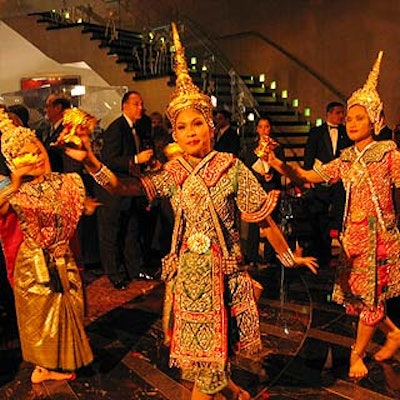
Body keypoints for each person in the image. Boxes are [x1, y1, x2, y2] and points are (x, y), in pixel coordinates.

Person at [65, 22, 318, 400]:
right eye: (181, 127)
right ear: (174, 133)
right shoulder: (173, 171)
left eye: (197, 123)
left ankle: (223, 384)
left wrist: (288, 258)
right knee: (203, 363)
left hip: (225, 272)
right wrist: (91, 163)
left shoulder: (231, 167)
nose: (190, 132)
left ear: (211, 126)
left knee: (218, 351)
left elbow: (263, 219)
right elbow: (126, 187)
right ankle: (221, 386)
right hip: (188, 276)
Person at [267, 51, 400, 380]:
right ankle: (395, 333)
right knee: (356, 298)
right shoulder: (345, 159)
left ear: (375, 120)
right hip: (351, 237)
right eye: (349, 118)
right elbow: (306, 177)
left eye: (359, 118)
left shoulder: (388, 153)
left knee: (369, 299)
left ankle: (357, 355)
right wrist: (274, 162)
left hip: (379, 238)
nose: (352, 123)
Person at [0, 107, 96, 384]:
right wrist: (16, 181)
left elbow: (81, 200)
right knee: (40, 317)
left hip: (63, 257)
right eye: (24, 155)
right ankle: (48, 363)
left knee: (69, 310)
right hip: (33, 265)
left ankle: (67, 361)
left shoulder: (63, 181)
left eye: (38, 151)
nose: (35, 158)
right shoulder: (16, 189)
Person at [95, 91, 153, 289]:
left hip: (130, 189)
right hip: (114, 190)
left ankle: (135, 269)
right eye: (136, 104)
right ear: (124, 106)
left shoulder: (138, 128)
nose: (140, 108)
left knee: (132, 230)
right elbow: (109, 160)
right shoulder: (117, 128)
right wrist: (136, 159)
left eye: (141, 104)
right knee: (112, 233)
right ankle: (114, 273)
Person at [303, 101, 353, 267]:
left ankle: (342, 253)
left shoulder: (346, 133)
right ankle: (321, 254)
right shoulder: (316, 132)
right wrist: (308, 179)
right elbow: (309, 154)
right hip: (320, 181)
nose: (341, 116)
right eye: (338, 113)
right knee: (320, 217)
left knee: (339, 215)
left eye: (342, 113)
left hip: (339, 183)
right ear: (329, 114)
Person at [243, 116, 285, 268]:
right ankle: (252, 255)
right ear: (257, 129)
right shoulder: (251, 147)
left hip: (271, 187)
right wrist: (259, 175)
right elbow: (247, 167)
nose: (263, 130)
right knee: (255, 222)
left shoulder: (277, 147)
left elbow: (282, 167)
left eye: (266, 127)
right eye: (260, 127)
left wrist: (272, 174)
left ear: (270, 128)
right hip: (256, 187)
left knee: (270, 222)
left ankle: (269, 256)